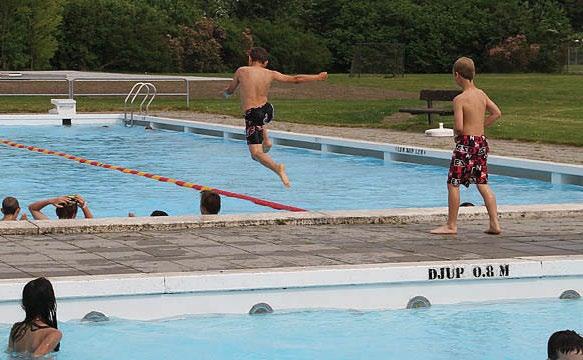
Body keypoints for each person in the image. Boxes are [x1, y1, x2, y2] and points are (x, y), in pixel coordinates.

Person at [223, 46, 328, 188]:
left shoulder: (241, 71)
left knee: (256, 154)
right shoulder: (270, 73)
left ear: (250, 59)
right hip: (268, 110)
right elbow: (296, 79)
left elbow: (230, 90)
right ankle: (266, 140)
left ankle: (277, 168)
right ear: (265, 62)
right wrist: (318, 77)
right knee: (260, 118)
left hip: (253, 115)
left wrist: (226, 94)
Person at [431, 57, 502, 235]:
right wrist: (481, 126)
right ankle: (495, 223)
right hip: (481, 142)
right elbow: (496, 113)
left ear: (457, 75)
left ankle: (451, 225)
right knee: (482, 183)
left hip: (465, 144)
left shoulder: (460, 99)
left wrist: (457, 135)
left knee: (453, 184)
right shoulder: (481, 94)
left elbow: (460, 126)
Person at [8, 277, 62, 357]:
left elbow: (9, 355)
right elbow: (36, 357)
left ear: (24, 303)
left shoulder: (16, 329)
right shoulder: (53, 334)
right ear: (50, 303)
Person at [29, 195, 93, 220]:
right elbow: (91, 221)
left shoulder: (49, 224)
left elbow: (32, 208)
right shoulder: (81, 226)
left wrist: (50, 201)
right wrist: (84, 206)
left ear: (57, 212)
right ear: (75, 213)